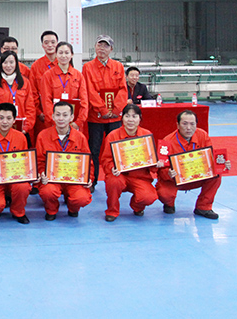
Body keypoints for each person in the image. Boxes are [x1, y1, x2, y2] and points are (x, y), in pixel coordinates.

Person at [156, 110, 230, 219]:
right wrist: (169, 173)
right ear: (177, 125)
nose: (188, 128)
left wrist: (222, 164)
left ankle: (203, 207)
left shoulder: (203, 135)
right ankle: (169, 203)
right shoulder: (167, 142)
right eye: (184, 124)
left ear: (196, 124)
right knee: (165, 194)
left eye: (192, 124)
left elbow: (211, 158)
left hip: (197, 176)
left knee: (217, 175)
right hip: (175, 180)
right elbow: (160, 170)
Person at [101, 103, 158, 222]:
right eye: (127, 116)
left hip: (140, 176)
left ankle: (137, 206)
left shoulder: (146, 135)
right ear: (122, 118)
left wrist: (156, 164)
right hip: (119, 175)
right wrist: (112, 168)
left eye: (134, 116)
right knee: (113, 182)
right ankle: (112, 211)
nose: (130, 120)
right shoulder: (113, 135)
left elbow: (152, 158)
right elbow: (106, 159)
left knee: (149, 197)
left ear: (140, 118)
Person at [83, 35, 127, 190]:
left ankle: (117, 180)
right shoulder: (88, 67)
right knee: (94, 149)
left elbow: (123, 89)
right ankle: (92, 180)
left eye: (106, 46)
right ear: (95, 47)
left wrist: (116, 109)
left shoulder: (118, 66)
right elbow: (89, 90)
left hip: (114, 118)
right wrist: (102, 109)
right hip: (96, 118)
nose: (102, 48)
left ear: (111, 49)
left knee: (115, 149)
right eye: (99, 45)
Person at [36, 101, 93, 220]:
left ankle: (73, 208)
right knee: (47, 192)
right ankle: (51, 210)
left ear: (71, 117)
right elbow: (39, 161)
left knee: (82, 198)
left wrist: (89, 178)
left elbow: (88, 162)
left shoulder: (80, 137)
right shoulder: (43, 136)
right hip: (52, 179)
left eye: (65, 115)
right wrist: (42, 174)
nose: (61, 118)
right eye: (58, 115)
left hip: (74, 180)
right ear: (52, 116)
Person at [0, 51, 36, 138]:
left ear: (16, 64)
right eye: (5, 62)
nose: (8, 66)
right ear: (1, 64)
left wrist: (25, 128)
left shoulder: (25, 82)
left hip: (21, 131)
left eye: (11, 62)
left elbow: (30, 108)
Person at [39, 42, 88, 131]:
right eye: (60, 53)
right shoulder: (48, 75)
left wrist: (78, 122)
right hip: (54, 124)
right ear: (56, 55)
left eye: (67, 53)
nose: (63, 56)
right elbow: (46, 101)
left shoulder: (78, 76)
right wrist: (55, 121)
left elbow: (84, 101)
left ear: (72, 55)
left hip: (74, 124)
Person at [29, 31, 59, 141]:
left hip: (62, 116)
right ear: (42, 45)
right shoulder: (36, 66)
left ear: (57, 44)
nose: (50, 45)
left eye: (53, 42)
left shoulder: (64, 64)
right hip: (42, 117)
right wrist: (39, 113)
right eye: (46, 42)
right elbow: (33, 92)